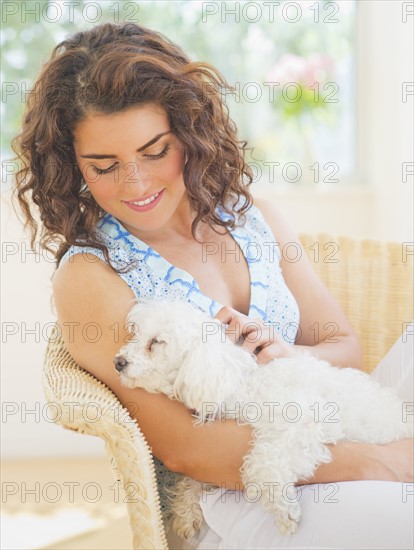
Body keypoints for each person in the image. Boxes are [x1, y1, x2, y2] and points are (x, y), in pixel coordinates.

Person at [12, 22, 413, 549]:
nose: (136, 185)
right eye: (104, 166)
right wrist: (383, 461)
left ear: (188, 132)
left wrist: (286, 354)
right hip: (243, 490)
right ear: (72, 168)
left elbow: (346, 350)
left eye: (155, 151)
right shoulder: (92, 274)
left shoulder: (253, 218)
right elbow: (186, 448)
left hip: (325, 427)